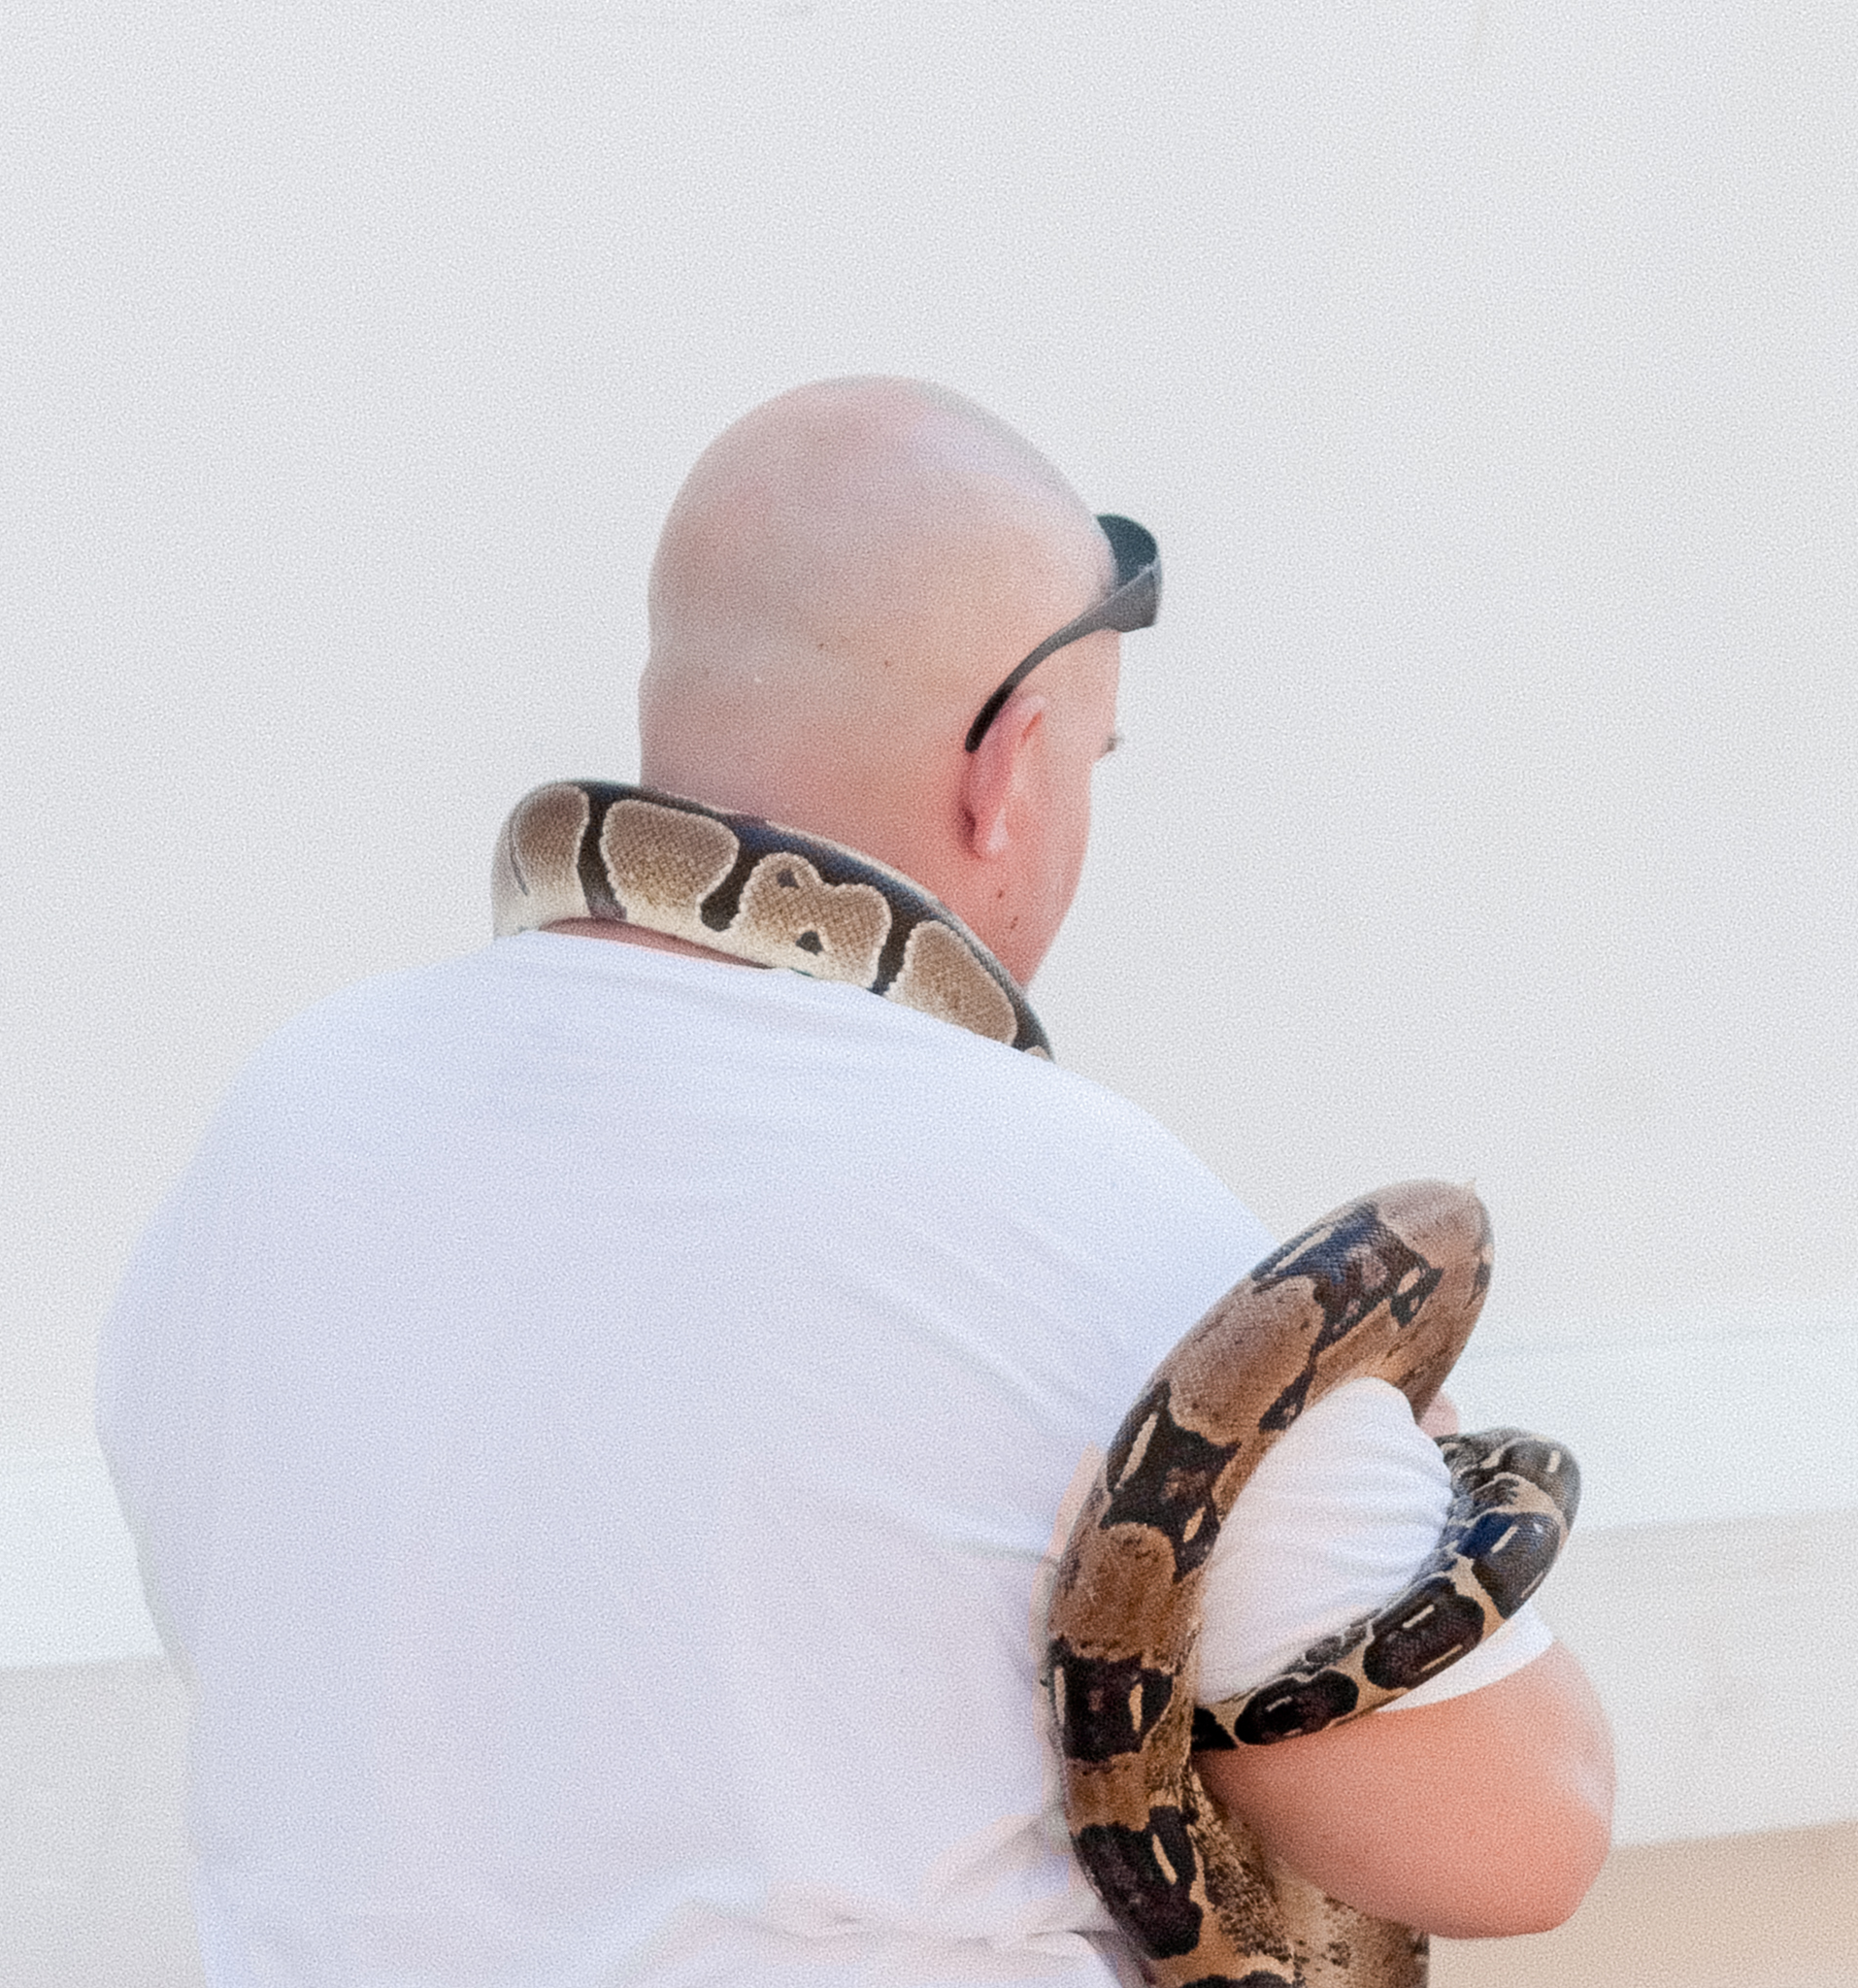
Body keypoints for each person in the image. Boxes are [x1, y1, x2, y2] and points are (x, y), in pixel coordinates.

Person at [99, 378, 1611, 1988]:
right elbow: (1520, 1835)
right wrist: (1432, 1489)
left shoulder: (285, 1124)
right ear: (1010, 766)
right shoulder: (1085, 1214)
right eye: (1094, 762)